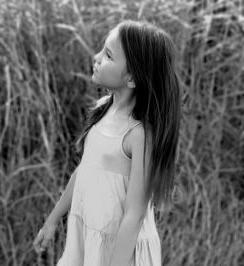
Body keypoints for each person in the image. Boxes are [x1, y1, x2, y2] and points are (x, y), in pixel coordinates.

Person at [33, 20, 181, 266]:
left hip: (121, 251)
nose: (97, 57)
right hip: (87, 235)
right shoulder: (104, 108)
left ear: (132, 78)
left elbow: (134, 215)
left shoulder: (139, 135)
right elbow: (85, 171)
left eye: (108, 55)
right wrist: (53, 219)